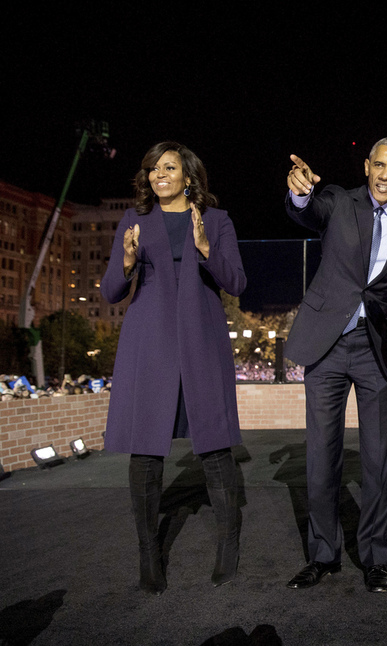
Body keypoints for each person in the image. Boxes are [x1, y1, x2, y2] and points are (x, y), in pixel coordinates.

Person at [283, 138, 387, 593]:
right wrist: (301, 193)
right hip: (325, 345)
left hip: (376, 349)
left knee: (378, 460)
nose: (385, 175)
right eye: (379, 165)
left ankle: (374, 557)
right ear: (367, 166)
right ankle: (323, 554)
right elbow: (304, 214)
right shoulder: (335, 200)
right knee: (320, 458)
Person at [101, 142, 247, 595]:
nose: (158, 175)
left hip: (203, 339)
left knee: (216, 446)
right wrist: (127, 262)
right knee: (145, 450)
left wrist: (205, 248)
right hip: (149, 341)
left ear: (189, 176)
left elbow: (237, 282)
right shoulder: (133, 221)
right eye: (152, 169)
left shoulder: (216, 222)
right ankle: (149, 554)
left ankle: (228, 548)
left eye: (169, 167)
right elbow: (109, 292)